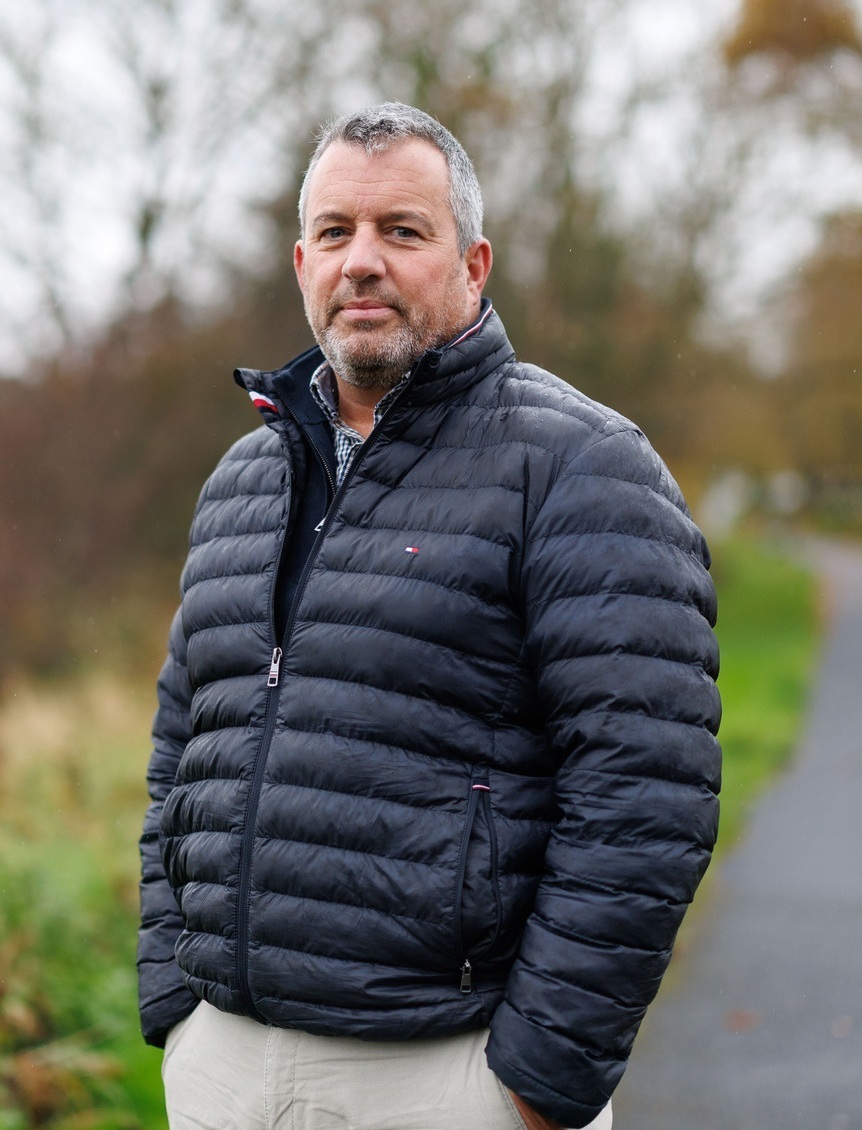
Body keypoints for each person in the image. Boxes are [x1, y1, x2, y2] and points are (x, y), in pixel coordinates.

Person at [137, 102, 721, 1130]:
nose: (361, 260)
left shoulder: (583, 466)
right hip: (223, 1064)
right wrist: (172, 1000)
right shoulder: (242, 479)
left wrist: (539, 1079)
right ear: (302, 263)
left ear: (473, 264)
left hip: (449, 1070)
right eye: (335, 232)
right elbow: (183, 746)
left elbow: (645, 791)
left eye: (402, 230)